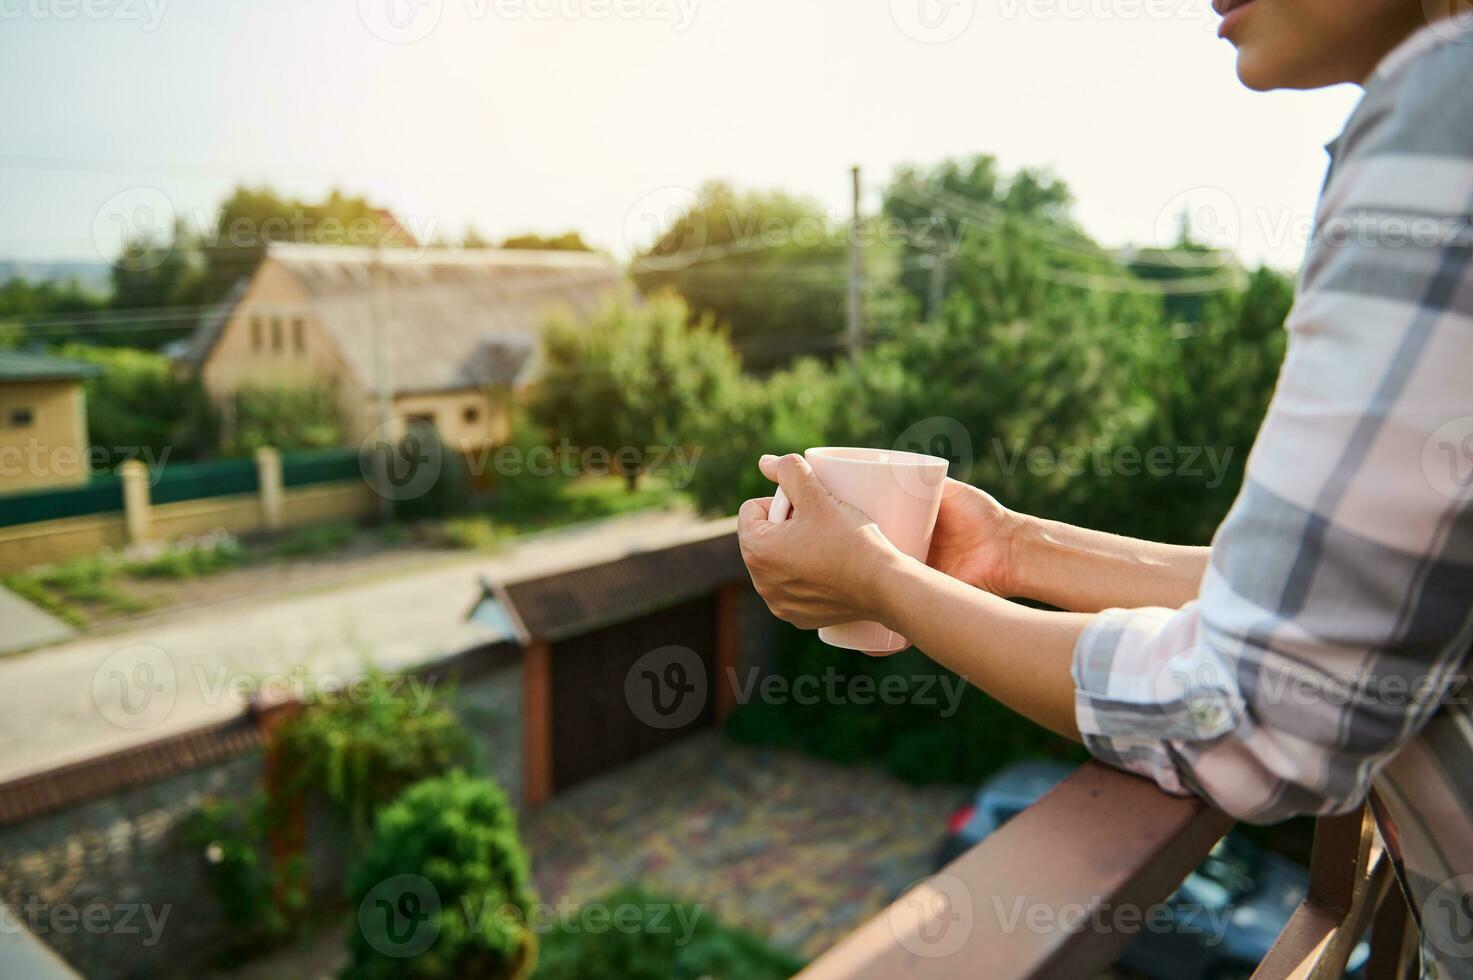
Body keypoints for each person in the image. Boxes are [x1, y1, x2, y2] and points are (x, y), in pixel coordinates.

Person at [737, 1, 1473, 975]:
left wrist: (883, 584)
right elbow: (1342, 595)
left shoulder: (1444, 115)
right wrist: (1013, 548)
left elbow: (1251, 711)